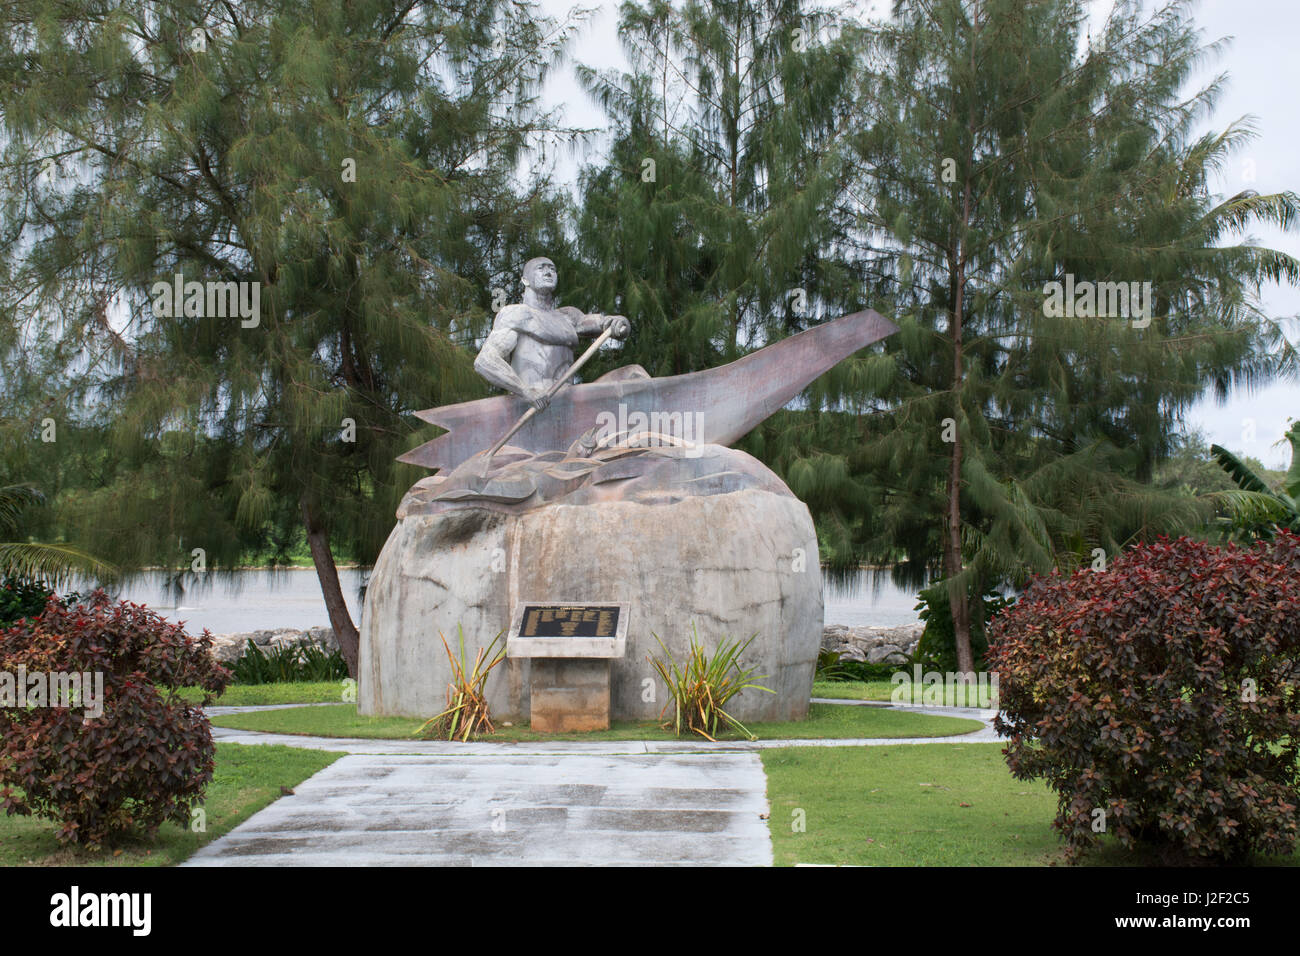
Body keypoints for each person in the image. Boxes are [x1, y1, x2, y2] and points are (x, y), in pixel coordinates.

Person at [473, 257, 636, 410]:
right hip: (533, 406)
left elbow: (600, 323)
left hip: (568, 403)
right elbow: (485, 361)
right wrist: (525, 391)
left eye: (552, 268)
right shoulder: (515, 314)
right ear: (525, 280)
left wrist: (618, 322)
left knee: (635, 374)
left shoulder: (567, 316)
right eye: (540, 268)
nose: (548, 272)